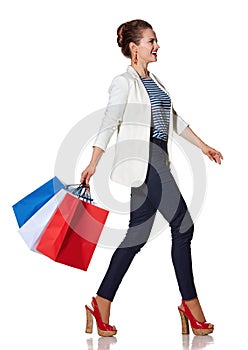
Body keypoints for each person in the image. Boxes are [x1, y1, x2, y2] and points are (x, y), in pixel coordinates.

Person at [81, 19, 223, 337]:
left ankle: (100, 302)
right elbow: (109, 122)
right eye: (151, 41)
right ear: (135, 48)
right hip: (144, 158)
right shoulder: (124, 82)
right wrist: (93, 162)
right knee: (184, 226)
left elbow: (172, 119)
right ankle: (191, 305)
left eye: (155, 41)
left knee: (136, 238)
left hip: (157, 156)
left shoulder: (155, 82)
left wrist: (203, 147)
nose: (156, 46)